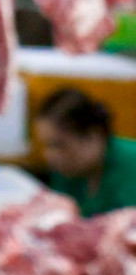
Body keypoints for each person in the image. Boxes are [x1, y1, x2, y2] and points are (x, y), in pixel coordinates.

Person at [36, 88, 136, 216]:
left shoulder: (130, 164)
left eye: (59, 145)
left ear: (93, 136)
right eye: (47, 146)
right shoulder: (66, 173)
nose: (49, 155)